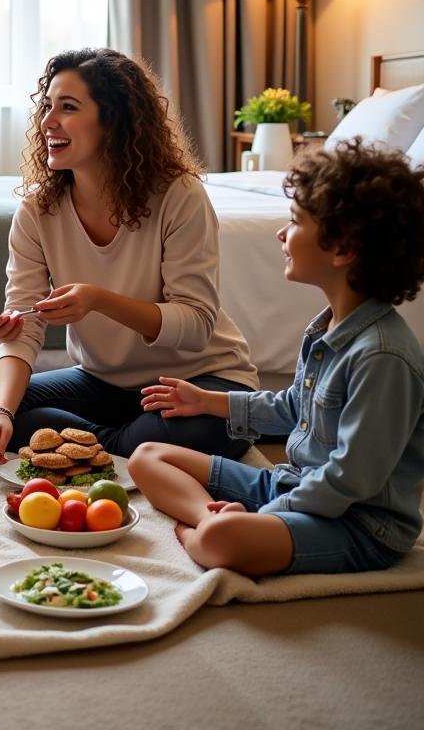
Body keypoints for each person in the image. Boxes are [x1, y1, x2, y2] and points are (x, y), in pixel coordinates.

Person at [131, 141, 424, 576]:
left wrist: (268, 515)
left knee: (219, 542)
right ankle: (211, 516)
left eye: (294, 221)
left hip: (358, 523)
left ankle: (210, 531)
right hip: (296, 484)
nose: (281, 233)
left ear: (343, 249)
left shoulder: (382, 356)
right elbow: (294, 408)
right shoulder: (327, 328)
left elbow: (350, 480)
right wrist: (208, 401)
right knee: (147, 456)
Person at [0, 47, 258, 464]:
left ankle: (107, 447)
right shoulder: (37, 211)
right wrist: (2, 413)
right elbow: (22, 329)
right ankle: (129, 447)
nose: (47, 121)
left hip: (200, 378)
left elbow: (194, 325)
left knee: (211, 423)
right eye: (47, 107)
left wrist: (98, 300)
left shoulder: (179, 196)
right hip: (105, 385)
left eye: (67, 107)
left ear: (114, 119)